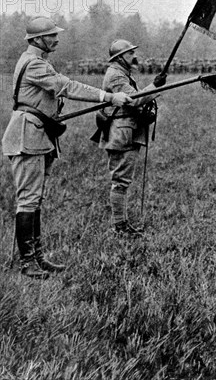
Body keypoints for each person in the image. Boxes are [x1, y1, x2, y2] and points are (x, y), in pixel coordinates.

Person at [1, 17, 134, 280]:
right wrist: (108, 97)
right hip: (27, 135)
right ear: (37, 39)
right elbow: (67, 86)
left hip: (38, 134)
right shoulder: (34, 64)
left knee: (35, 198)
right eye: (51, 35)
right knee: (28, 199)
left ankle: (37, 257)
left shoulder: (36, 61)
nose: (57, 39)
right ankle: (27, 263)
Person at [92, 39, 166, 236]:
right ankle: (120, 227)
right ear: (119, 57)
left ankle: (122, 225)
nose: (134, 56)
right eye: (130, 53)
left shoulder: (121, 74)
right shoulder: (116, 76)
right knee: (120, 181)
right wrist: (154, 86)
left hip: (126, 130)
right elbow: (133, 100)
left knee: (122, 180)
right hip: (121, 132)